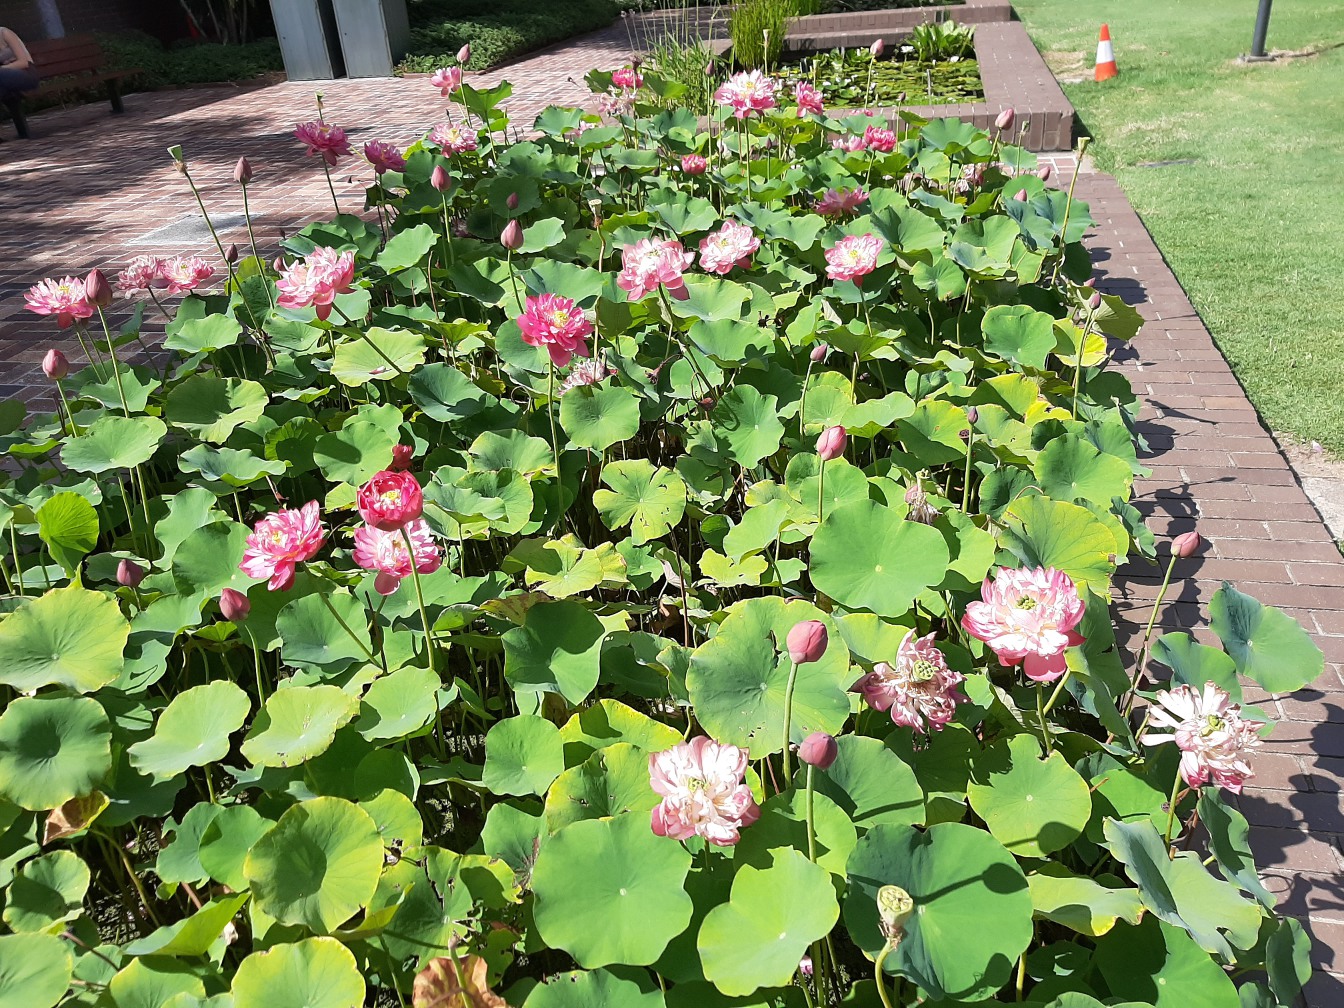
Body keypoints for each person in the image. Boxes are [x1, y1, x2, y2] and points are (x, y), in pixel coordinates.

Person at [0, 26, 39, 140]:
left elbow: (24, 62)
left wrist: (2, 69)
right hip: (5, 81)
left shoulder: (4, 33)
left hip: (26, 74)